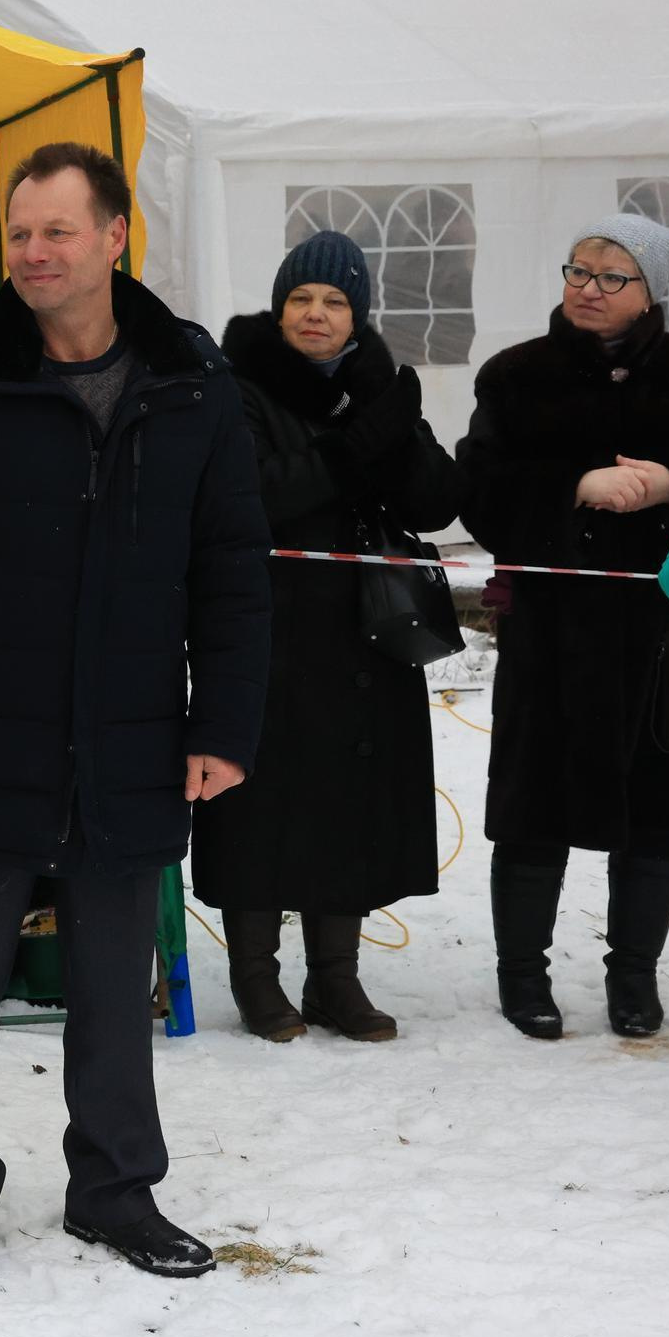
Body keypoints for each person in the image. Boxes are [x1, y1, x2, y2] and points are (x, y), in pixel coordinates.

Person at [0, 142, 270, 1285]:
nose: (33, 253)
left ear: (114, 237)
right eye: (20, 234)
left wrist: (223, 726)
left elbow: (232, 567)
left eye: (57, 231)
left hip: (130, 737)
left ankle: (115, 1190)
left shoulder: (190, 385)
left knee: (110, 986)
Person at [191, 232, 460, 1043]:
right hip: (266, 629)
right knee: (260, 801)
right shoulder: (232, 388)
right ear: (279, 311)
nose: (316, 313)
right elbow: (252, 495)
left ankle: (336, 981)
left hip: (366, 637)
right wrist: (349, 450)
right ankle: (256, 978)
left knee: (350, 803)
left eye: (335, 301)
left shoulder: (377, 391)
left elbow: (435, 503)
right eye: (301, 299)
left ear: (357, 316)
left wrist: (393, 429)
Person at [457, 214, 669, 1040]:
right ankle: (524, 977)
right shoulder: (516, 377)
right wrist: (575, 485)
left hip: (663, 633)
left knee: (658, 807)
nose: (587, 288)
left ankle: (633, 977)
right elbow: (475, 493)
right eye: (577, 271)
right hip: (552, 630)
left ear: (650, 290)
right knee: (532, 801)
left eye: (610, 276)